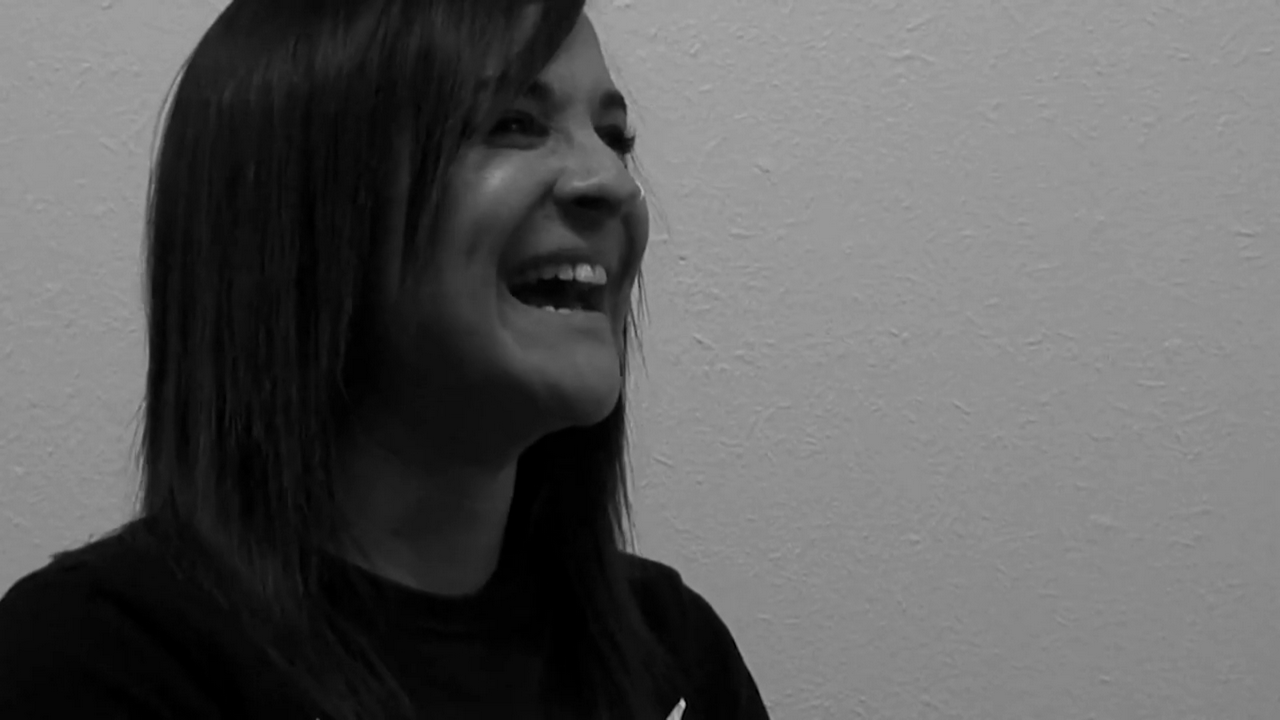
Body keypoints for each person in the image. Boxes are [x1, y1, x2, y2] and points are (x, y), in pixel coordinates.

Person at [0, 1, 770, 719]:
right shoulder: (93, 664)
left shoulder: (672, 655)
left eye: (615, 136)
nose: (611, 182)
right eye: (513, 123)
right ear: (302, 208)